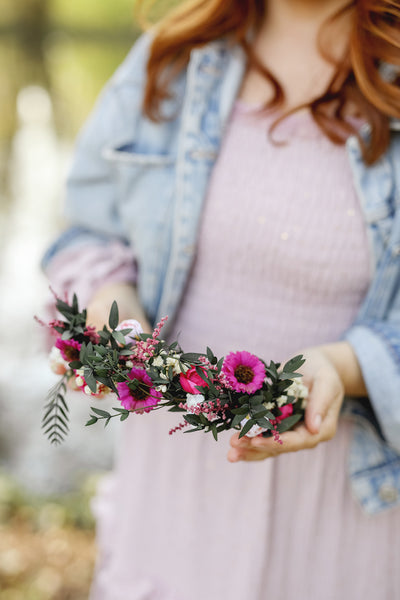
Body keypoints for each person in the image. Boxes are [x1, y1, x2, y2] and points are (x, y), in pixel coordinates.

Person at [43, 0, 400, 598]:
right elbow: (85, 233)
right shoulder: (173, 57)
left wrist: (345, 367)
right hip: (173, 497)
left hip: (351, 507)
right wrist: (112, 307)